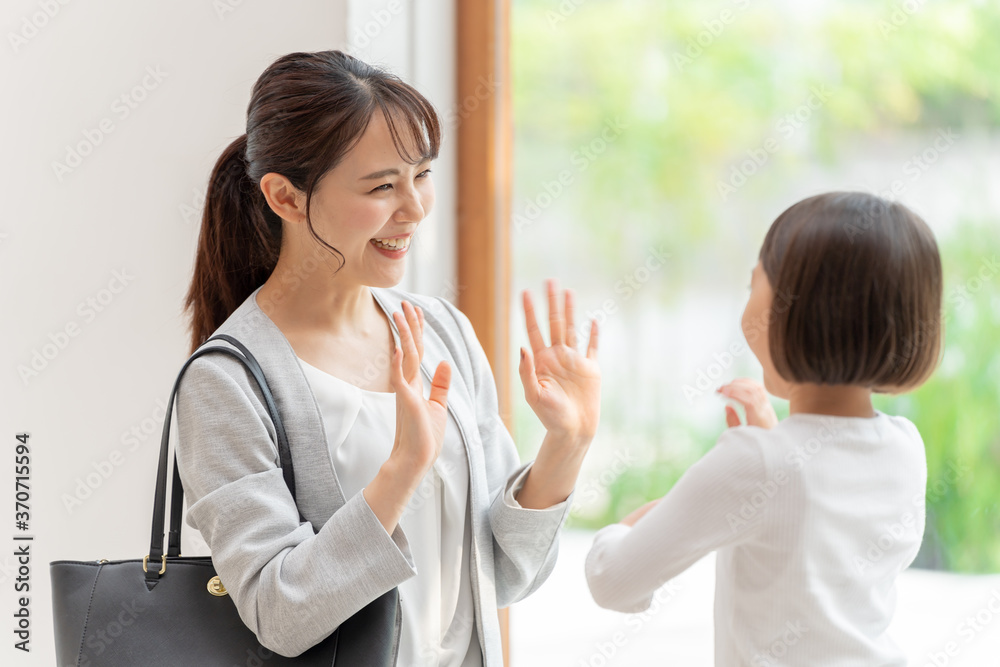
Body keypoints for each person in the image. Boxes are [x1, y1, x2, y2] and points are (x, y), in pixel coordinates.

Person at [174, 50, 601, 665]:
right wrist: (403, 468)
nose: (415, 207)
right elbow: (278, 612)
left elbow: (506, 575)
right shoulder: (227, 381)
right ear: (285, 198)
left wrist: (566, 444)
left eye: (421, 174)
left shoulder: (442, 331)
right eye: (381, 186)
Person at [585, 192, 942, 665]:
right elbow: (813, 532)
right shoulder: (903, 448)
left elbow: (615, 581)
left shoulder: (756, 462)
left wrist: (623, 527)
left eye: (755, 285)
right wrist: (775, 441)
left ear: (794, 312)